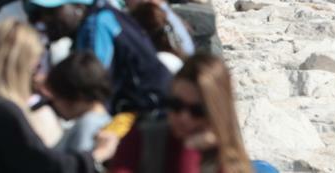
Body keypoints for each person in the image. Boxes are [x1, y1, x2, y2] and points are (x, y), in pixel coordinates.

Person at [0, 19, 98, 173]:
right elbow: (43, 165)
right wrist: (95, 157)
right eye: (36, 66)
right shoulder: (1, 110)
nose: (38, 75)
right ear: (21, 66)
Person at [31, 0, 172, 114]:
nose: (46, 19)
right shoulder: (101, 15)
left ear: (78, 7)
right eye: (43, 12)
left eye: (52, 11)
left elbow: (92, 87)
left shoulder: (96, 25)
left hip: (150, 109)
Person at [108, 54, 255, 173]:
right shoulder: (143, 138)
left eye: (197, 111)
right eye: (175, 105)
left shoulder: (227, 160)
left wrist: (189, 150)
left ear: (216, 113)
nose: (184, 117)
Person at [44, 52, 115, 155]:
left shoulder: (86, 126)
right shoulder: (104, 120)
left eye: (56, 97)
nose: (54, 103)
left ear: (75, 96)